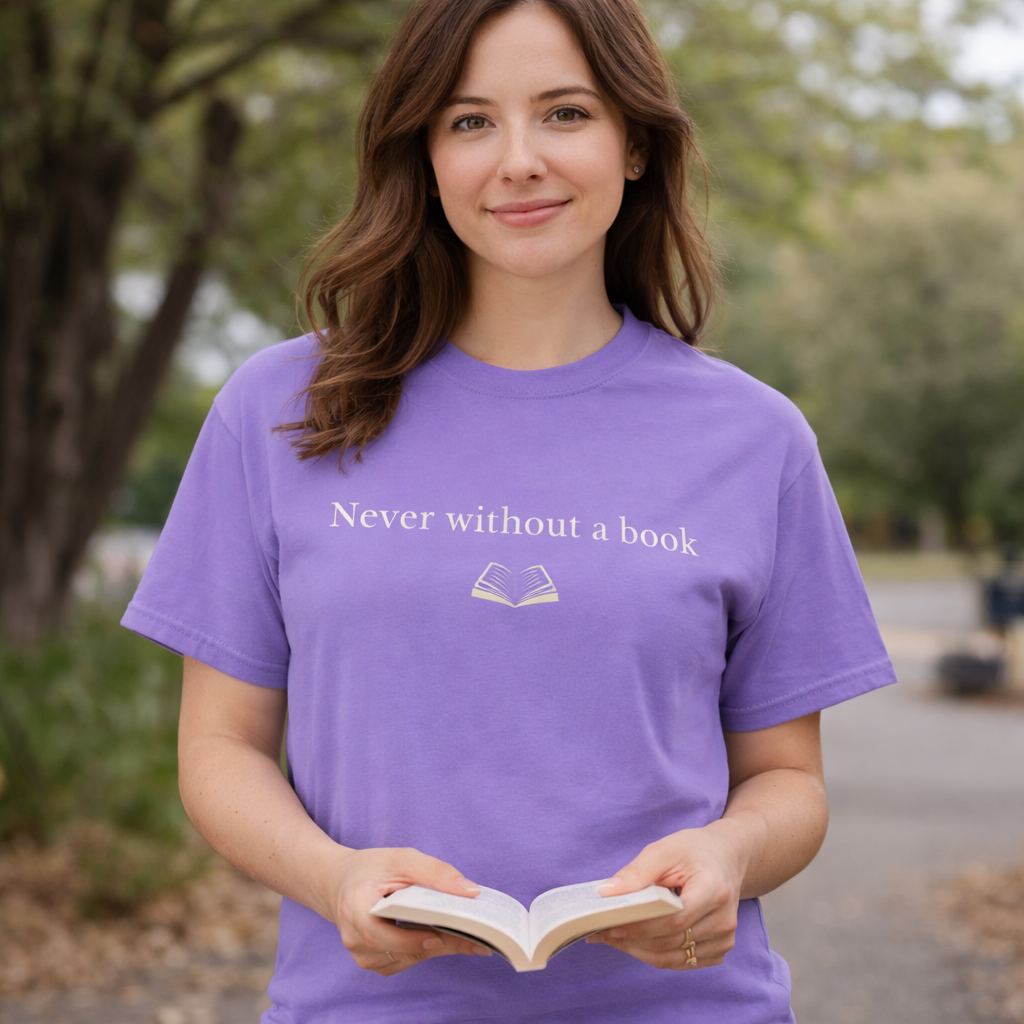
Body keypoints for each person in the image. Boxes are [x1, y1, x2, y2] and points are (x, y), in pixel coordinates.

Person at [122, 0, 896, 1020]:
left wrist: (728, 853)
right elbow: (218, 748)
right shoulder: (280, 411)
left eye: (565, 113)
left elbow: (788, 781)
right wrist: (331, 877)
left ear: (632, 144)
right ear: (424, 155)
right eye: (469, 120)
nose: (518, 159)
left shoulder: (754, 438)